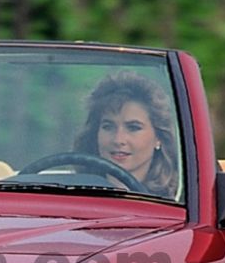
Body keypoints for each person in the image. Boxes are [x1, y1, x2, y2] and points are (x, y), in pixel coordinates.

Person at [73, 71, 180, 199]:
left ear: (159, 137)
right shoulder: (69, 194)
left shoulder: (179, 204)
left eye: (133, 128)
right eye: (108, 127)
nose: (118, 140)